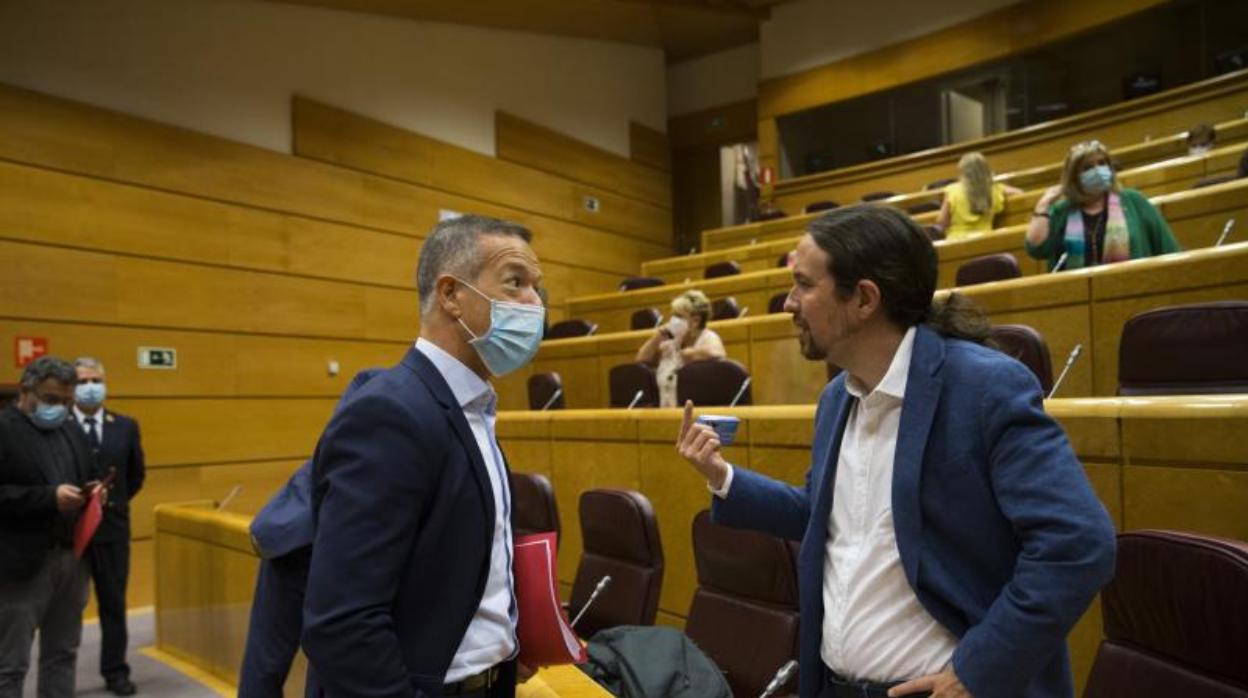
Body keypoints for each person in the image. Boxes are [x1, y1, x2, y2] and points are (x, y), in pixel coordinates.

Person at [676, 206, 1117, 698]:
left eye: (803, 284)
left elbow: (1078, 543)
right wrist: (723, 477)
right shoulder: (835, 399)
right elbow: (826, 516)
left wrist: (979, 670)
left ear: (864, 299)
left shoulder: (983, 387)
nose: (788, 303)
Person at [301, 214, 545, 697]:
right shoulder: (390, 412)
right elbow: (343, 621)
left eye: (537, 287)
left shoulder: (472, 406)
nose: (535, 303)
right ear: (452, 295)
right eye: (516, 282)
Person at [237, 367, 381, 698]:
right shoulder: (377, 398)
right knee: (272, 662)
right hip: (296, 546)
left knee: (286, 661)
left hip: (301, 538)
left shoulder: (368, 399)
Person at [0, 356, 104, 698]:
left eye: (65, 401)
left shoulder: (71, 430)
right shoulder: (4, 428)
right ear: (25, 389)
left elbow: (83, 475)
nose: (58, 408)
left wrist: (94, 492)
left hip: (70, 559)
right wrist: (48, 498)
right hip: (19, 566)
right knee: (10, 665)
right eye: (51, 399)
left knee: (62, 654)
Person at [70, 357, 145, 697]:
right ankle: (59, 673)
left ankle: (116, 671)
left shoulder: (125, 426)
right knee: (66, 606)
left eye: (95, 379)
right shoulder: (60, 426)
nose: (90, 386)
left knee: (113, 604)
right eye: (83, 380)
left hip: (113, 529)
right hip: (68, 532)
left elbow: (136, 475)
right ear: (72, 387)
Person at [1026, 140, 1180, 271]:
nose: (1097, 170)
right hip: (1078, 295)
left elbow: (1168, 249)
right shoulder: (1063, 211)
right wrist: (1043, 204)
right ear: (1074, 176)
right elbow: (1036, 249)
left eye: (1101, 163)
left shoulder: (1133, 200)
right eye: (1087, 167)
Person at [635, 290, 726, 407]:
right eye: (673, 315)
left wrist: (691, 353)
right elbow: (641, 360)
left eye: (678, 316)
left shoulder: (708, 337)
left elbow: (717, 355)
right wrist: (656, 338)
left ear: (695, 321)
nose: (673, 320)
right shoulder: (670, 343)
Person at [935, 152, 1023, 240]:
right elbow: (1020, 193)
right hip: (985, 239)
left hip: (956, 240)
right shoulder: (994, 189)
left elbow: (942, 221)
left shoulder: (952, 190)